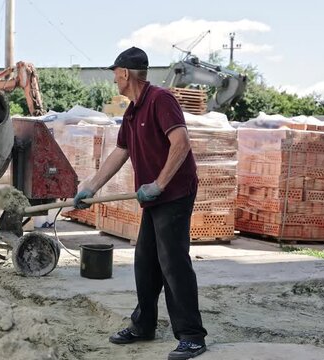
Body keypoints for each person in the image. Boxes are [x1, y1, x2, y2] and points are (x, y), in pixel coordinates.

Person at [73, 47, 207, 360]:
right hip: (155, 198)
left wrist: (159, 184)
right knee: (146, 261)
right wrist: (90, 187)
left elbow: (181, 142)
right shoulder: (132, 110)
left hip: (174, 193)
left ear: (124, 73)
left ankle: (192, 336)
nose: (113, 79)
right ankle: (144, 324)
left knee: (173, 262)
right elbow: (120, 153)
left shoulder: (161, 100)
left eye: (115, 73)